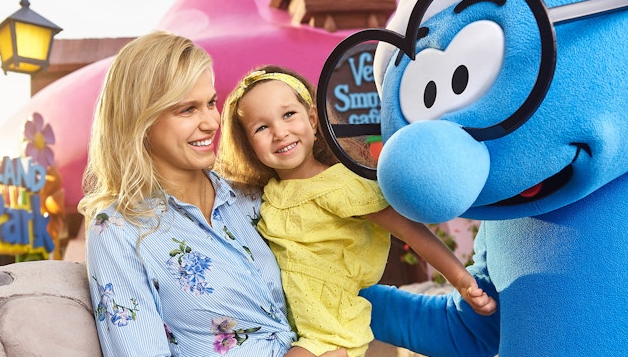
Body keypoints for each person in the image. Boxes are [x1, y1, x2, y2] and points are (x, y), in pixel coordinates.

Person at [79, 32, 348, 357]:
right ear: (141, 121)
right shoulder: (118, 230)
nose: (211, 122)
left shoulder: (253, 199)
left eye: (210, 103)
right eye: (187, 110)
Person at [215, 65, 497, 357]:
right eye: (261, 128)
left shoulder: (341, 184)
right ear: (249, 145)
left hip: (332, 331)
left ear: (312, 120)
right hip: (290, 329)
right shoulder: (267, 196)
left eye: (288, 115)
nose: (279, 132)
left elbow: (409, 231)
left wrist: (461, 281)